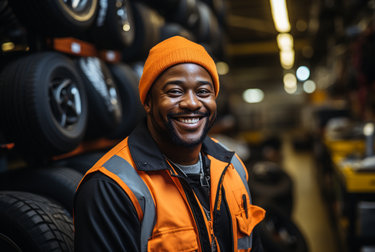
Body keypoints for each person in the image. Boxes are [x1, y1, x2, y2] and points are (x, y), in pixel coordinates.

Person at [74, 36, 266, 251]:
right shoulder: (112, 188)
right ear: (148, 101)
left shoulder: (233, 168)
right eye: (175, 91)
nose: (192, 103)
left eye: (203, 92)